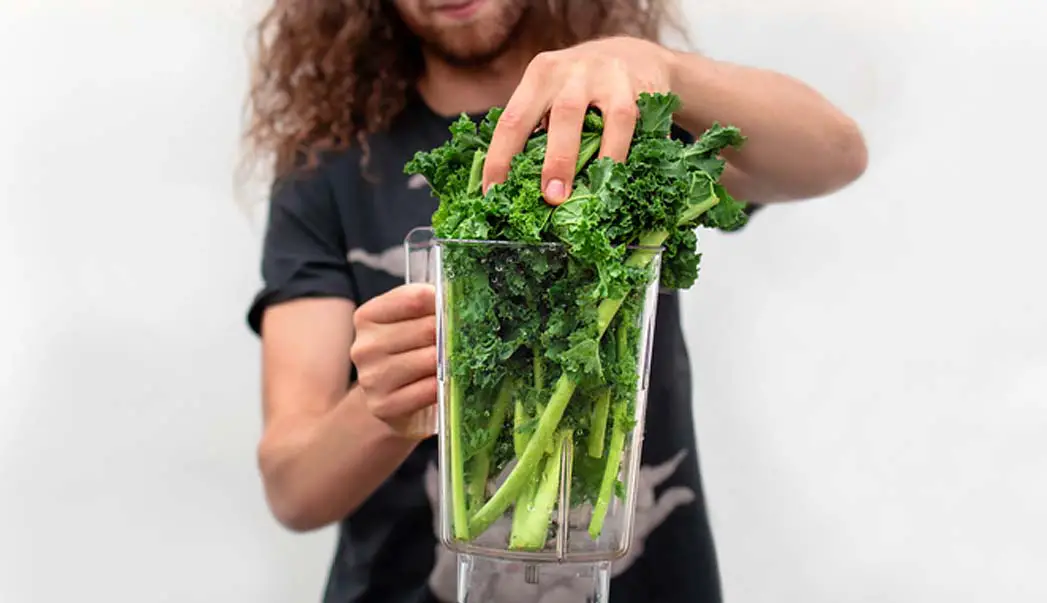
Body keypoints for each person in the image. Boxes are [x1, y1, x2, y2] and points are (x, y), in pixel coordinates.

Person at [242, 1, 867, 602]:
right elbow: (293, 491)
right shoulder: (327, 173)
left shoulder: (624, 122)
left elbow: (837, 155)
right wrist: (383, 403)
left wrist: (655, 65)